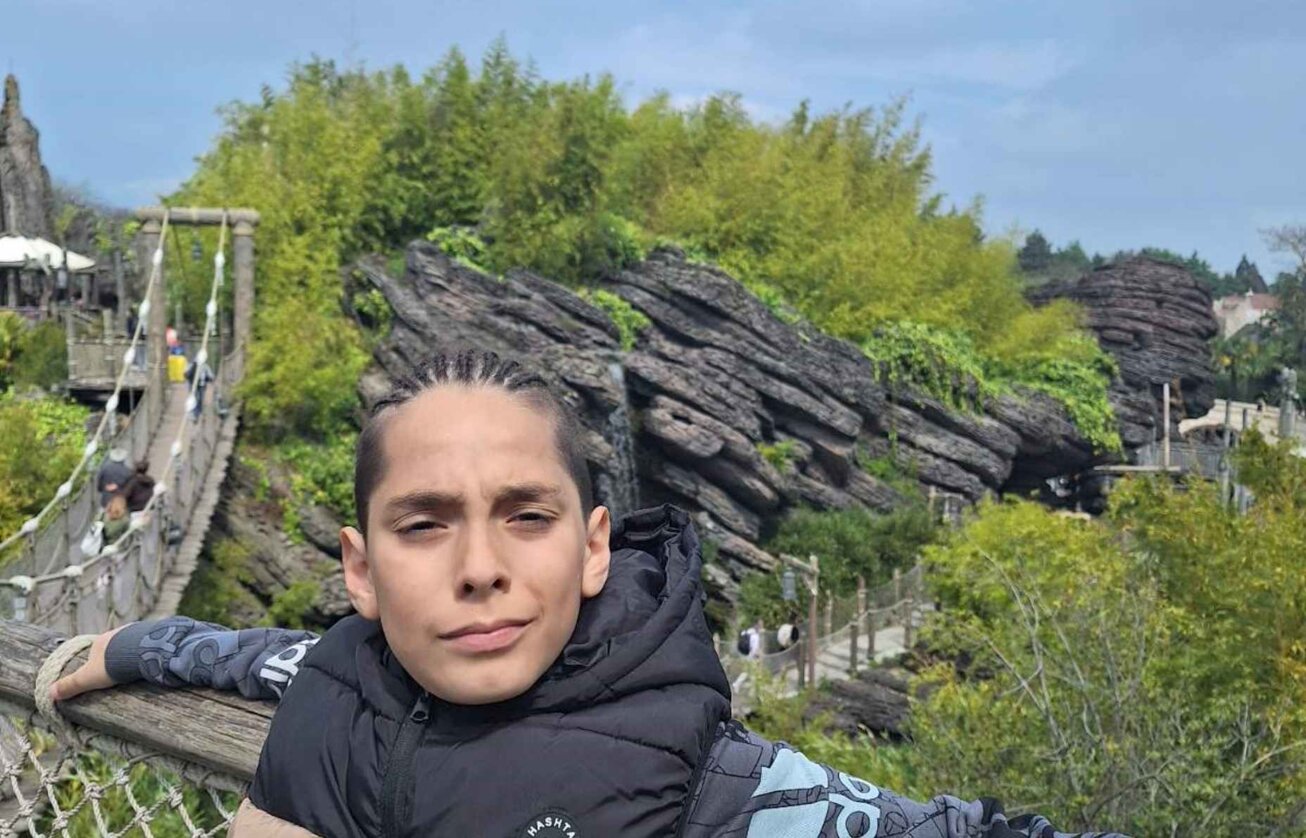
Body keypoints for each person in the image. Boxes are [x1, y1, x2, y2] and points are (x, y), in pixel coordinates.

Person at [50, 349, 1128, 838]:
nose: (481, 567)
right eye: (425, 524)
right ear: (361, 570)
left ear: (595, 547)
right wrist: (133, 648)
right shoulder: (337, 677)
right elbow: (254, 658)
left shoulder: (700, 777)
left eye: (528, 516)